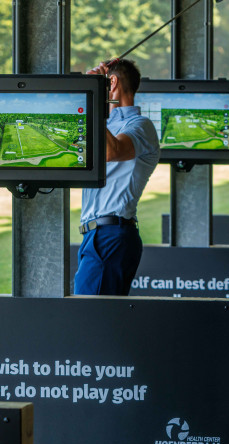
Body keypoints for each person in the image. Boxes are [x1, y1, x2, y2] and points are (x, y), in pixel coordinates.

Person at [74, 58, 160, 296]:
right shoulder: (103, 124)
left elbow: (112, 152)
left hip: (111, 235)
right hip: (95, 236)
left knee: (89, 319)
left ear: (112, 83)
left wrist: (93, 97)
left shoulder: (141, 126)